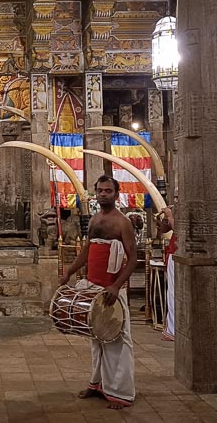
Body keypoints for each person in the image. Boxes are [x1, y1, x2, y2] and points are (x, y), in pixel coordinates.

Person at [59, 175, 137, 409]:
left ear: (116, 193)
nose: (103, 194)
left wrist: (116, 285)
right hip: (93, 286)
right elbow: (87, 250)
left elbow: (132, 258)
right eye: (100, 191)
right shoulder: (94, 219)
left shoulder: (122, 222)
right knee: (96, 338)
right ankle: (98, 384)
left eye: (108, 191)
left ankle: (121, 392)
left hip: (112, 289)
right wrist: (69, 272)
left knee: (118, 340)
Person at [157, 206, 176, 342]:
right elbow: (164, 230)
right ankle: (171, 328)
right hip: (174, 253)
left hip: (179, 254)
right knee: (172, 293)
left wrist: (170, 216)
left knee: (174, 293)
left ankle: (173, 330)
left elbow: (181, 232)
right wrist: (165, 218)